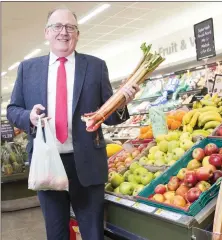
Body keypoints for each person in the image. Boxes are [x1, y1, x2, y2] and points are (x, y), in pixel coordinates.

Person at [6, 8, 139, 240]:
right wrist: (29, 117)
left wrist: (121, 104)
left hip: (87, 164)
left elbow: (107, 117)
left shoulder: (96, 66)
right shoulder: (28, 69)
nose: (63, 32)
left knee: (93, 234)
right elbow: (13, 110)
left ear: (77, 34)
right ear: (47, 32)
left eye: (70, 27)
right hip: (47, 162)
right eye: (57, 26)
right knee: (56, 234)